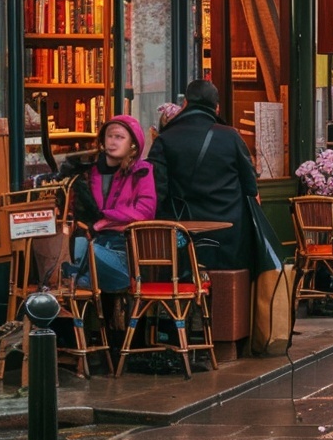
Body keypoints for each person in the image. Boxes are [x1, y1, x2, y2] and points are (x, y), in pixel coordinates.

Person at [148, 79, 259, 272]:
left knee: (186, 281)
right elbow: (250, 187)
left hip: (186, 232)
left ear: (185, 104)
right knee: (228, 284)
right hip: (229, 232)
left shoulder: (164, 140)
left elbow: (158, 191)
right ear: (217, 108)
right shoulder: (231, 137)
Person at [66, 115, 157, 292]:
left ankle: (82, 276)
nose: (113, 142)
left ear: (132, 143)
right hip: (91, 238)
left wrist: (106, 220)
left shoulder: (142, 171)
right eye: (110, 136)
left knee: (94, 253)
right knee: (81, 247)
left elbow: (145, 211)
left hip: (126, 245)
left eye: (120, 137)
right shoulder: (88, 172)